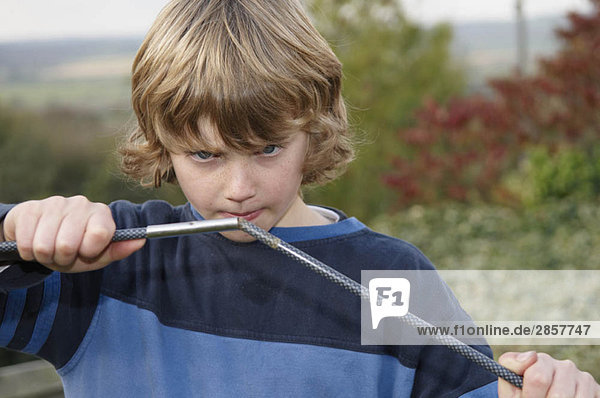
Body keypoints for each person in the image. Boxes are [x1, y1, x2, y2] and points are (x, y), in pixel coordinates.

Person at [0, 0, 597, 396]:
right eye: (204, 156)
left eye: (266, 150)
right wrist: (19, 234)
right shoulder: (113, 257)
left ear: (314, 128)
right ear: (160, 145)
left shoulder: (390, 278)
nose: (237, 190)